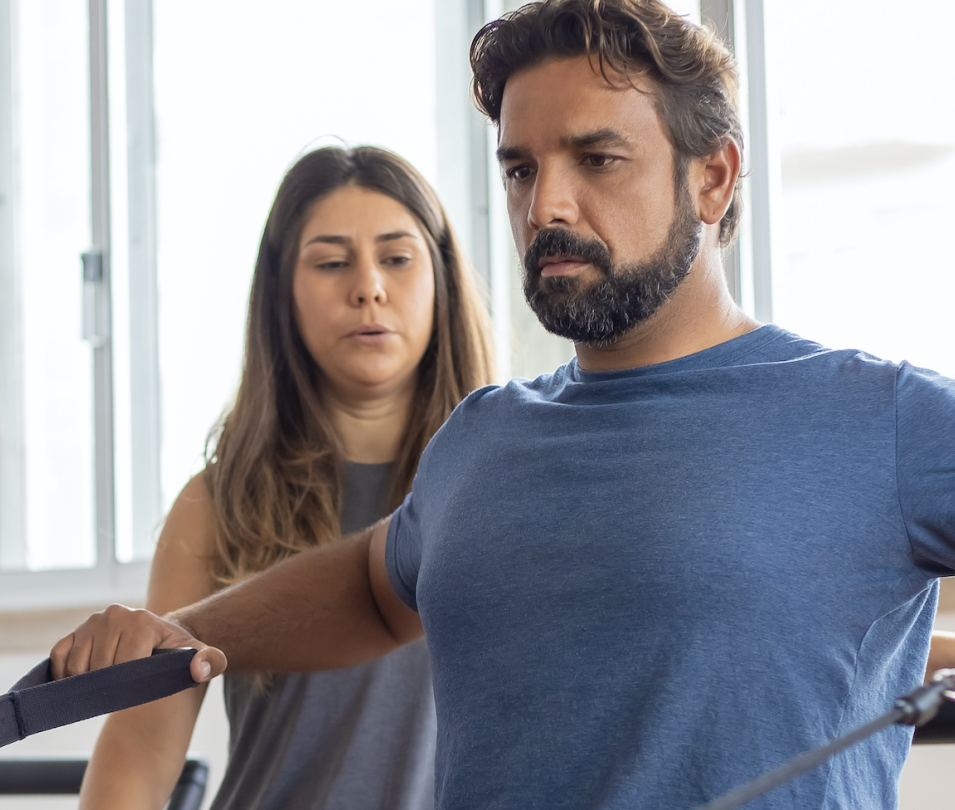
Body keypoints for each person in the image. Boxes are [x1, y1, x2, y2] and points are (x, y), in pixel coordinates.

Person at [53, 2, 955, 809]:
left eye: (597, 158)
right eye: (521, 170)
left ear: (712, 178)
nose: (547, 204)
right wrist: (180, 635)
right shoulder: (481, 439)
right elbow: (373, 592)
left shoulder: (884, 419)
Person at [76, 146, 495, 809]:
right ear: (282, 292)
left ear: (442, 276)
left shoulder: (498, 480)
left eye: (397, 258)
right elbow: (139, 752)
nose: (368, 287)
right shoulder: (218, 504)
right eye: (331, 263)